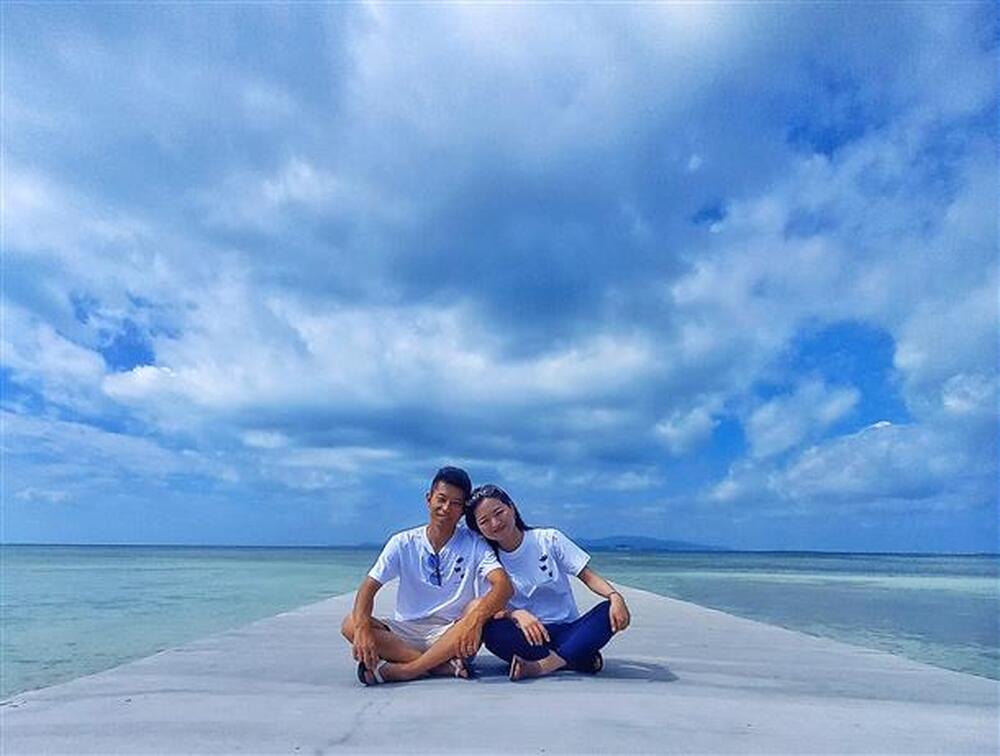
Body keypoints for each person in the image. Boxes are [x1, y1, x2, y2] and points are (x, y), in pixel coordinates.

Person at [341, 467, 513, 685]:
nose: (446, 508)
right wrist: (363, 629)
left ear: (463, 510)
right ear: (428, 499)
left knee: (478, 606)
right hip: (406, 633)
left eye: (456, 503)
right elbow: (369, 586)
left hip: (453, 633)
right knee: (351, 622)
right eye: (441, 499)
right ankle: (439, 667)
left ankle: (408, 670)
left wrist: (476, 620)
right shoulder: (403, 542)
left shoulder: (474, 543)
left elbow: (503, 585)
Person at [465, 483, 631, 681]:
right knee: (492, 630)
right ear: (479, 530)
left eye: (499, 513)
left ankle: (544, 665)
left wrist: (615, 596)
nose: (495, 523)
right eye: (484, 521)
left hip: (568, 629)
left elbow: (587, 576)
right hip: (528, 636)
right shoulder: (488, 560)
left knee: (607, 610)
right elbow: (491, 607)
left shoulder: (548, 539)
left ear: (511, 507)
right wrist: (516, 614)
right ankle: (575, 657)